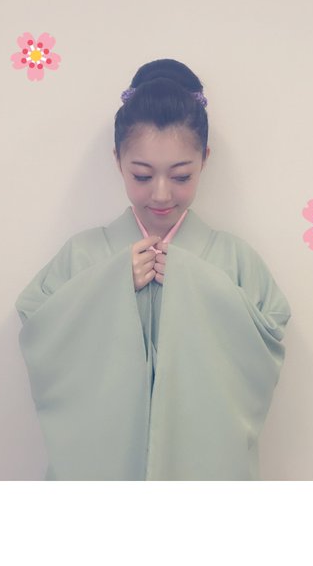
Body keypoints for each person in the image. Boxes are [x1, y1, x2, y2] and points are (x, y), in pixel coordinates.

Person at [15, 58, 291, 480]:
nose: (161, 194)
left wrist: (196, 283)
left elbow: (266, 342)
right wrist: (109, 283)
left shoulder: (235, 259)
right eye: (142, 176)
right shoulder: (83, 254)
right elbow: (39, 328)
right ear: (118, 161)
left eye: (181, 176)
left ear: (204, 160)